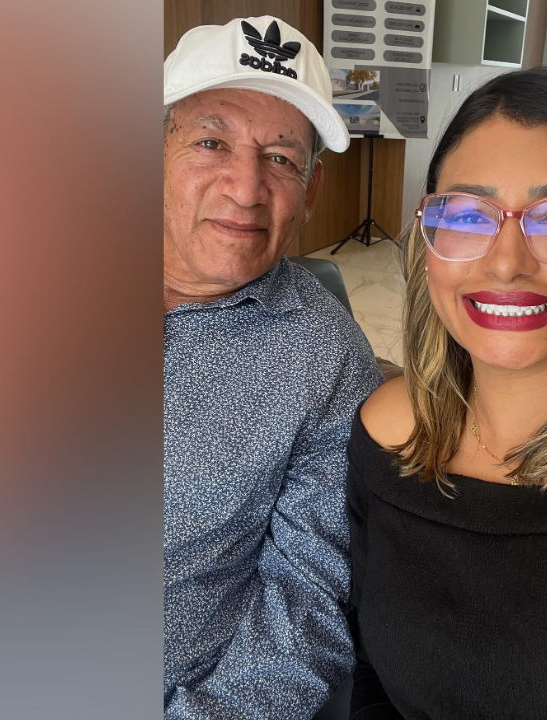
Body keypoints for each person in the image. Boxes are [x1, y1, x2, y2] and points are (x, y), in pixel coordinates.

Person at [348, 67, 547, 719]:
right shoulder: (386, 431)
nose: (507, 261)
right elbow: (367, 671)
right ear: (427, 238)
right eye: (467, 214)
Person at [163, 16, 384, 720]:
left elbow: (308, 601)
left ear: (310, 193)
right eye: (211, 142)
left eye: (282, 159)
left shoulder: (324, 357)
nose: (246, 187)